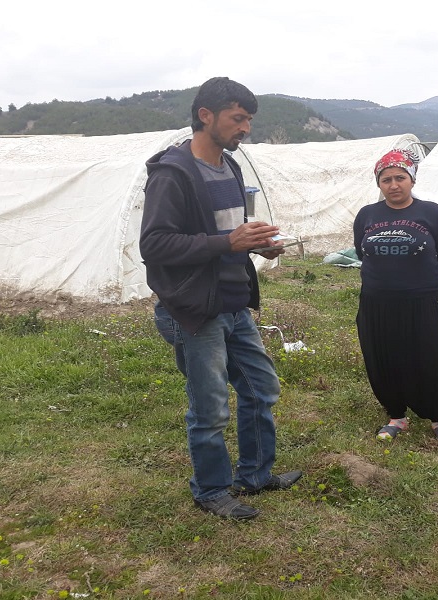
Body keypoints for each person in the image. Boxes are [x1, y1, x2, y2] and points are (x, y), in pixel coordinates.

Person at [139, 77, 302, 521]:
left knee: (260, 389)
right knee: (210, 407)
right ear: (205, 115)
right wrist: (227, 242)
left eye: (248, 119)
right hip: (195, 309)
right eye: (237, 118)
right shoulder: (173, 174)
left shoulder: (230, 168)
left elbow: (229, 237)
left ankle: (254, 474)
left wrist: (256, 244)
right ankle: (210, 490)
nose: (245, 128)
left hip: (234, 302)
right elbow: (154, 246)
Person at [353, 148, 438, 441]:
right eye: (386, 179)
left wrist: (418, 278)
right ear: (379, 184)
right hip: (376, 301)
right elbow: (363, 251)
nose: (393, 184)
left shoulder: (432, 213)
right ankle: (396, 416)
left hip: (422, 300)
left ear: (412, 180)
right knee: (383, 357)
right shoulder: (367, 215)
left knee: (427, 356)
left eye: (400, 177)